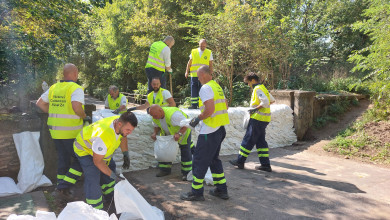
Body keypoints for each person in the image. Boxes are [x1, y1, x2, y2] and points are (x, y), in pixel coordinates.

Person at [36, 63, 90, 195]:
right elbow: (77, 107)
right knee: (83, 158)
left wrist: (53, 113)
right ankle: (63, 186)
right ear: (75, 74)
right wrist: (85, 117)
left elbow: (40, 103)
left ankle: (62, 186)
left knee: (63, 159)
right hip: (70, 131)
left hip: (55, 131)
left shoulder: (54, 87)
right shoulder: (76, 88)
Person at [180, 65, 230, 201]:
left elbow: (209, 110)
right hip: (219, 129)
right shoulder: (217, 87)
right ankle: (221, 190)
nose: (198, 78)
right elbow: (225, 106)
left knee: (199, 161)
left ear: (203, 75)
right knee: (214, 160)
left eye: (198, 75)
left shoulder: (205, 88)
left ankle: (196, 193)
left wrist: (197, 119)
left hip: (209, 131)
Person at [71, 112, 137, 209]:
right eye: (128, 130)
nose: (129, 132)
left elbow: (123, 136)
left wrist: (125, 154)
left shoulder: (120, 122)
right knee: (93, 176)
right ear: (119, 124)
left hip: (98, 151)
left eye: (131, 130)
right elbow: (97, 162)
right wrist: (114, 176)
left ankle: (110, 196)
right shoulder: (104, 136)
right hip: (84, 149)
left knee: (110, 168)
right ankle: (95, 208)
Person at [229, 72, 275, 172]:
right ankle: (265, 165)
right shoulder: (263, 88)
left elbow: (266, 102)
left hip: (257, 119)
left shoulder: (258, 89)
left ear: (253, 80)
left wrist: (255, 109)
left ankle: (240, 161)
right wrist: (261, 107)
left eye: (249, 83)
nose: (249, 85)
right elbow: (272, 100)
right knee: (261, 142)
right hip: (264, 119)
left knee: (248, 140)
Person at [148, 105, 193, 180]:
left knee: (185, 151)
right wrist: (155, 133)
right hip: (170, 134)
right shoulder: (155, 116)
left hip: (183, 133)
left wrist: (179, 134)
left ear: (160, 110)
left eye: (155, 115)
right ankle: (165, 170)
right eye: (152, 116)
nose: (154, 117)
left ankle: (187, 173)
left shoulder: (174, 115)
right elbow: (156, 126)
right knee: (165, 151)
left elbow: (186, 124)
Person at [185, 39, 213, 109]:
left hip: (204, 76)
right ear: (199, 44)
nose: (202, 47)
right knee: (194, 89)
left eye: (203, 46)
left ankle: (202, 105)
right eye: (201, 46)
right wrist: (186, 71)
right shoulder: (194, 51)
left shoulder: (209, 52)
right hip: (194, 74)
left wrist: (210, 74)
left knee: (203, 89)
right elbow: (189, 62)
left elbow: (211, 64)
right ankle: (194, 105)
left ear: (206, 45)